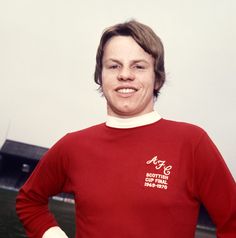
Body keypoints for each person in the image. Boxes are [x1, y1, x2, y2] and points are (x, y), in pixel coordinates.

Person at [16, 20, 236, 238]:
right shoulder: (73, 146)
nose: (125, 75)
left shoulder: (192, 142)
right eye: (113, 66)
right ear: (100, 76)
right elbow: (29, 200)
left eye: (138, 66)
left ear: (158, 78)